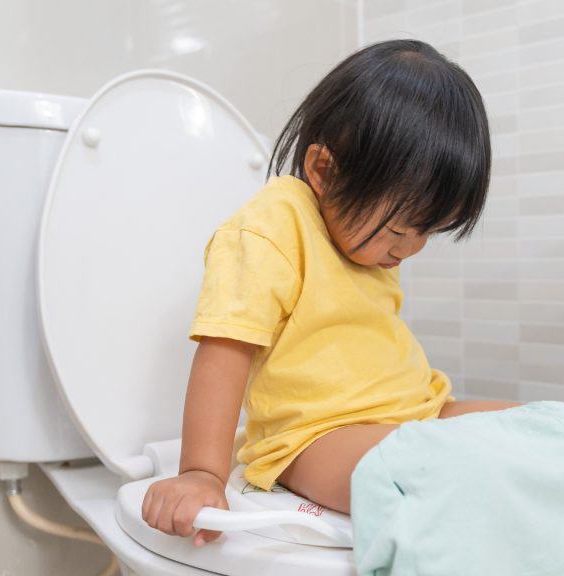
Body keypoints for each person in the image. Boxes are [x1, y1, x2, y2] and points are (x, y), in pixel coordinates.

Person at [140, 39, 520, 547]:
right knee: (444, 472)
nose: (413, 249)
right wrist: (202, 473)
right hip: (316, 438)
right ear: (324, 171)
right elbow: (225, 353)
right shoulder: (271, 230)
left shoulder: (367, 244)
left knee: (560, 432)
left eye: (430, 232)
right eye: (403, 229)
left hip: (418, 411)